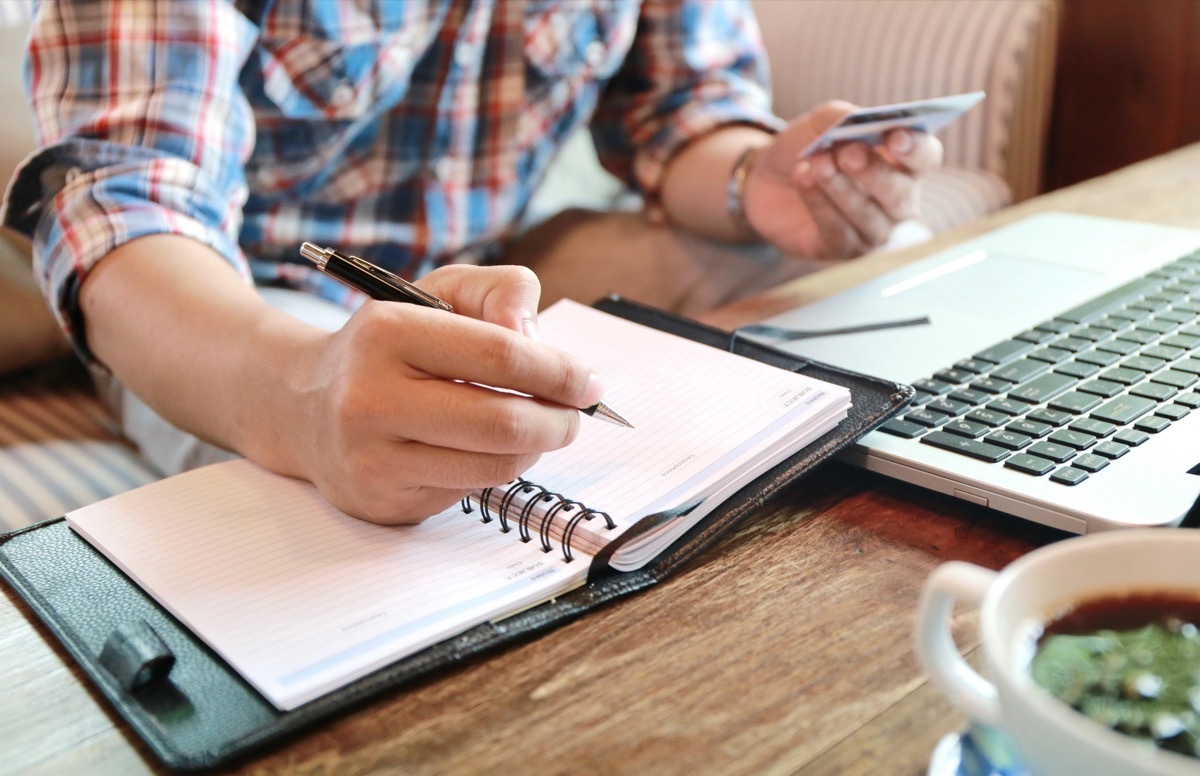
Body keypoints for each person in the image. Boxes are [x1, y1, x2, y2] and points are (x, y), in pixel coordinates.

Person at [1, 0, 942, 524]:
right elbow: (129, 209)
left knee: (877, 284)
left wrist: (752, 180)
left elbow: (683, 105)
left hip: (501, 261)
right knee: (396, 487)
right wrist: (303, 392)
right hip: (241, 294)